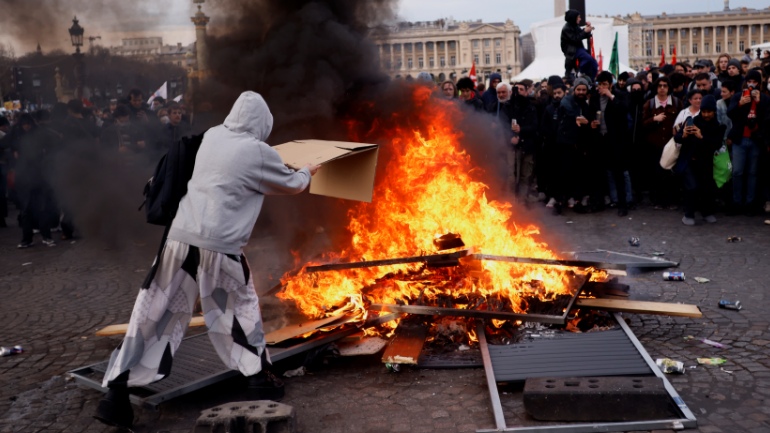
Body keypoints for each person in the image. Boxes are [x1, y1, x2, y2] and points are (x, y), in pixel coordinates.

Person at [94, 91, 320, 429]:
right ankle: (258, 378)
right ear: (261, 122)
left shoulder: (212, 135)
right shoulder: (257, 151)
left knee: (152, 314)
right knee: (238, 312)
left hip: (178, 240)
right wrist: (307, 171)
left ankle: (115, 393)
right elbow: (291, 185)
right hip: (220, 246)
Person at [673, 95, 725, 225]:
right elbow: (677, 138)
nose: (706, 115)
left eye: (709, 112)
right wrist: (684, 135)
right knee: (691, 186)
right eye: (704, 111)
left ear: (714, 112)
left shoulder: (718, 126)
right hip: (690, 160)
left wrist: (701, 136)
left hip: (706, 162)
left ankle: (707, 212)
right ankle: (688, 214)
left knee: (706, 187)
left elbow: (716, 144)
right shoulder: (692, 120)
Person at [727, 69, 770, 215]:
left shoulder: (764, 98)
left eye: (755, 82)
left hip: (755, 139)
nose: (752, 84)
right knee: (738, 172)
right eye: (749, 81)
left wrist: (758, 103)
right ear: (746, 82)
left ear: (759, 83)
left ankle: (750, 203)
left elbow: (767, 118)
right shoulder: (739, 96)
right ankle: (737, 201)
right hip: (740, 139)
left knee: (752, 173)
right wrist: (740, 104)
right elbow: (730, 114)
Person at [589, 71, 631, 216]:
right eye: (599, 85)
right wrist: (591, 123)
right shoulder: (594, 98)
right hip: (599, 139)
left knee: (618, 173)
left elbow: (624, 109)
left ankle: (622, 204)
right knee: (598, 173)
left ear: (610, 85)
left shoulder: (619, 95)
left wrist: (610, 96)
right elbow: (590, 115)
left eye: (605, 85)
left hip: (615, 140)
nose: (601, 87)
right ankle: (599, 202)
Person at [553, 77, 592, 213]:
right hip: (565, 144)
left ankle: (577, 201)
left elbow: (588, 124)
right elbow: (568, 109)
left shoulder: (586, 105)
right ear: (574, 90)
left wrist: (589, 124)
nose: (581, 92)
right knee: (563, 174)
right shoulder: (567, 101)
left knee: (579, 175)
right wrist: (577, 117)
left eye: (583, 90)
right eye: (579, 89)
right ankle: (560, 202)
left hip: (579, 146)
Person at [642, 76, 682, 209]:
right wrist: (654, 119)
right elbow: (642, 124)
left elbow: (682, 120)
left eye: (665, 85)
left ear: (669, 87)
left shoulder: (676, 102)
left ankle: (672, 201)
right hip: (655, 144)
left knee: (671, 173)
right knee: (656, 173)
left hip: (671, 144)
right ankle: (657, 201)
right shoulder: (650, 103)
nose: (662, 88)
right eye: (660, 86)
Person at [507, 82, 539, 202]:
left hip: (527, 146)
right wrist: (510, 137)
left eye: (521, 89)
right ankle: (511, 202)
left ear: (526, 91)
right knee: (512, 177)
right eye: (517, 89)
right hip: (512, 147)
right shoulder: (508, 106)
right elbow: (503, 124)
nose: (519, 91)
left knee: (525, 176)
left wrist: (522, 130)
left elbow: (535, 126)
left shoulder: (531, 107)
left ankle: (522, 202)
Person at [539, 83, 565, 208]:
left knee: (565, 173)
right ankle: (553, 197)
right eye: (555, 93)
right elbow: (544, 127)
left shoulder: (569, 106)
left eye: (559, 93)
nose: (557, 96)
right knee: (552, 173)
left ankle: (565, 197)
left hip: (566, 146)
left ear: (564, 92)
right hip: (552, 146)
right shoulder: (549, 109)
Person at [560, 9, 597, 79]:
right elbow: (575, 38)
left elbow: (582, 34)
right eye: (578, 17)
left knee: (593, 63)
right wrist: (585, 31)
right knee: (587, 58)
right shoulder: (566, 28)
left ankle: (591, 79)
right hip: (572, 50)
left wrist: (588, 29)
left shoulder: (575, 26)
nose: (580, 19)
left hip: (578, 48)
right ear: (574, 18)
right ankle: (580, 72)